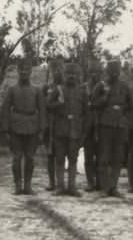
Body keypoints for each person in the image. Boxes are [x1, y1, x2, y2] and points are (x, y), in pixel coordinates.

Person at [1, 59, 46, 195]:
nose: (24, 72)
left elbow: (42, 110)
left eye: (27, 70)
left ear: (31, 72)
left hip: (32, 127)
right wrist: (5, 129)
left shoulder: (36, 90)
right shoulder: (12, 90)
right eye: (22, 70)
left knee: (30, 158)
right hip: (15, 127)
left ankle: (27, 185)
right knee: (17, 158)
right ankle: (18, 185)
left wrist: (42, 130)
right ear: (18, 72)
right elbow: (5, 110)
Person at [91, 60, 133, 197]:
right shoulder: (101, 86)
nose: (114, 73)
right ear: (107, 71)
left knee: (118, 158)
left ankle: (113, 187)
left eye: (117, 70)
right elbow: (93, 104)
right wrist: (105, 99)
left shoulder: (125, 86)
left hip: (120, 126)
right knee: (104, 158)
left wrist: (121, 112)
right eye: (112, 70)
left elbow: (131, 105)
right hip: (105, 126)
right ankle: (105, 188)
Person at [47, 63, 89, 196]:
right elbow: (48, 105)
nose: (71, 77)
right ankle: (60, 187)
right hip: (60, 130)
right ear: (64, 75)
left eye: (74, 74)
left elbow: (86, 114)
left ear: (78, 76)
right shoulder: (58, 90)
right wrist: (58, 104)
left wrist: (83, 133)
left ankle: (72, 187)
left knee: (73, 159)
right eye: (68, 74)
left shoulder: (82, 91)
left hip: (75, 131)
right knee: (59, 159)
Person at [42, 59, 64, 191]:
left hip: (62, 124)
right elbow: (43, 105)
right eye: (54, 70)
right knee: (50, 155)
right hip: (50, 125)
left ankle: (61, 182)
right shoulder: (47, 87)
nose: (57, 73)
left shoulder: (65, 88)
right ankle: (52, 182)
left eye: (59, 70)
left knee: (61, 155)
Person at [82, 60, 103, 191]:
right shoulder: (83, 87)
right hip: (87, 126)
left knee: (101, 156)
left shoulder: (104, 87)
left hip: (102, 125)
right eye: (91, 72)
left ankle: (100, 181)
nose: (94, 74)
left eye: (96, 71)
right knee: (88, 155)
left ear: (100, 73)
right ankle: (90, 181)